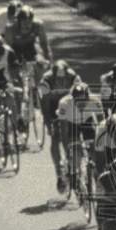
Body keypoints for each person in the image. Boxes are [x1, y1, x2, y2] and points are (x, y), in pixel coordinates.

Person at [57, 80, 104, 199]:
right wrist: (67, 147)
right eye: (77, 101)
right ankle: (72, 172)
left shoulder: (95, 100)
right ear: (72, 99)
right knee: (75, 151)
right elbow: (63, 130)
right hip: (71, 124)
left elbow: (102, 123)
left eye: (83, 100)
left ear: (88, 98)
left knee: (95, 150)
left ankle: (97, 178)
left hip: (87, 122)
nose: (80, 104)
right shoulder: (64, 103)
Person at [38, 59, 79, 194]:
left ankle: (74, 162)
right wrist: (48, 122)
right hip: (52, 107)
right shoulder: (46, 79)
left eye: (64, 80)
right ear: (53, 75)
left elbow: (81, 96)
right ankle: (59, 173)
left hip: (69, 105)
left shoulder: (73, 77)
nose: (61, 82)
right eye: (58, 80)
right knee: (56, 138)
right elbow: (44, 103)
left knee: (74, 135)